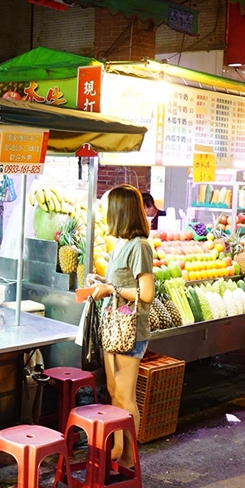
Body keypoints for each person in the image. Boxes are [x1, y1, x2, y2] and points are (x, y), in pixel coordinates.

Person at [87, 185, 155, 468]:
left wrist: (110, 288)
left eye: (108, 208)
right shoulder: (120, 245)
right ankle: (117, 449)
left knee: (126, 397)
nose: (104, 213)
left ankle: (130, 458)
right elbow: (119, 285)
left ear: (120, 212)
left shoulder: (139, 246)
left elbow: (147, 293)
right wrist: (100, 283)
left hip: (129, 330)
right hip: (114, 327)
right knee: (114, 393)